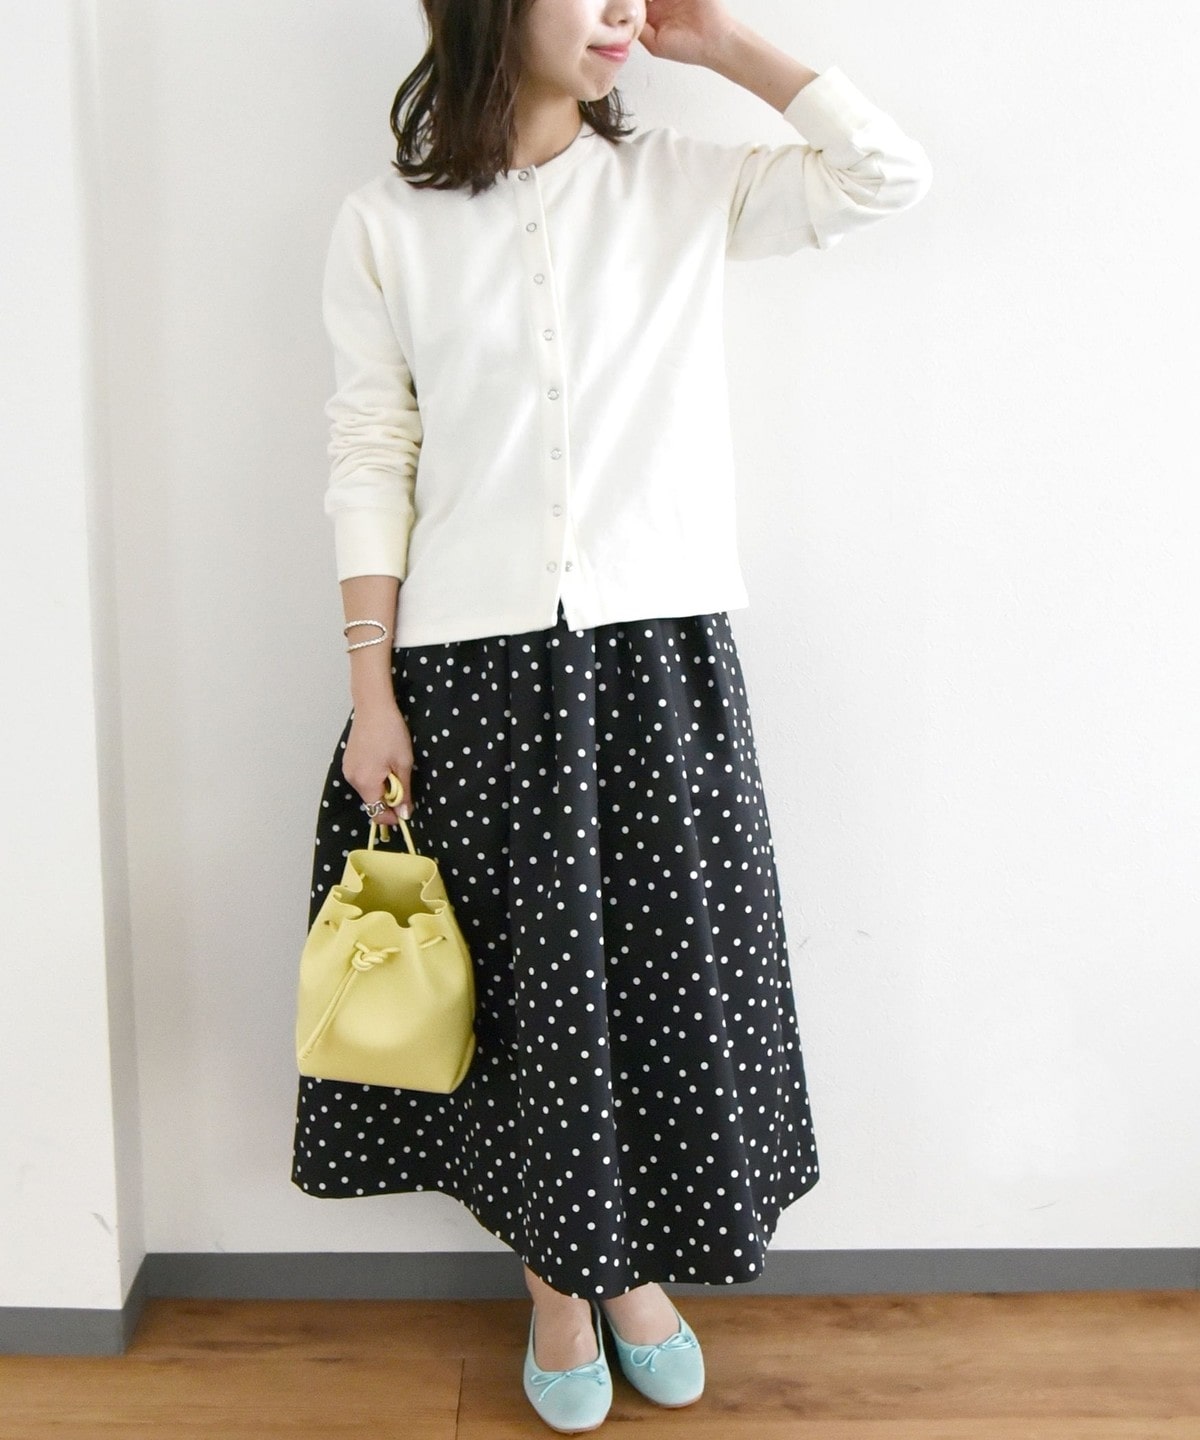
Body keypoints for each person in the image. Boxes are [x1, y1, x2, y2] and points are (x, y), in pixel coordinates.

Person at [291, 0, 932, 1430]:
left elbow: (885, 175)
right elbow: (372, 447)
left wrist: (725, 47)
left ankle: (632, 1267)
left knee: (660, 984)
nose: (624, 9)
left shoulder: (679, 185)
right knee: (528, 1002)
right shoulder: (385, 223)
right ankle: (561, 1290)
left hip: (658, 665)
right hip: (471, 677)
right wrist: (368, 689)